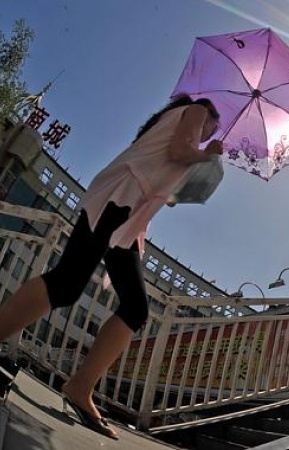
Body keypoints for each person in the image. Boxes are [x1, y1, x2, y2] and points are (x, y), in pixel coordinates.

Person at [0, 95, 223, 440]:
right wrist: (207, 154)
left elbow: (175, 187)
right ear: (208, 114)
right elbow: (180, 152)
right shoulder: (195, 110)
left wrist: (204, 167)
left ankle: (80, 387)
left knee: (135, 307)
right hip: (120, 198)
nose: (209, 132)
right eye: (212, 126)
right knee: (67, 282)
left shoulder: (176, 129)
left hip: (131, 220)